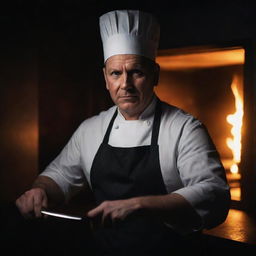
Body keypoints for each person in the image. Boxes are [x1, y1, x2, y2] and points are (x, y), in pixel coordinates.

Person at [15, 9, 231, 256]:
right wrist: (39, 190)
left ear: (155, 75)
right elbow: (58, 176)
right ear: (106, 79)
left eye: (136, 72)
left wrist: (141, 204)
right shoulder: (91, 129)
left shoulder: (184, 128)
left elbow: (214, 193)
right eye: (116, 73)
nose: (125, 84)